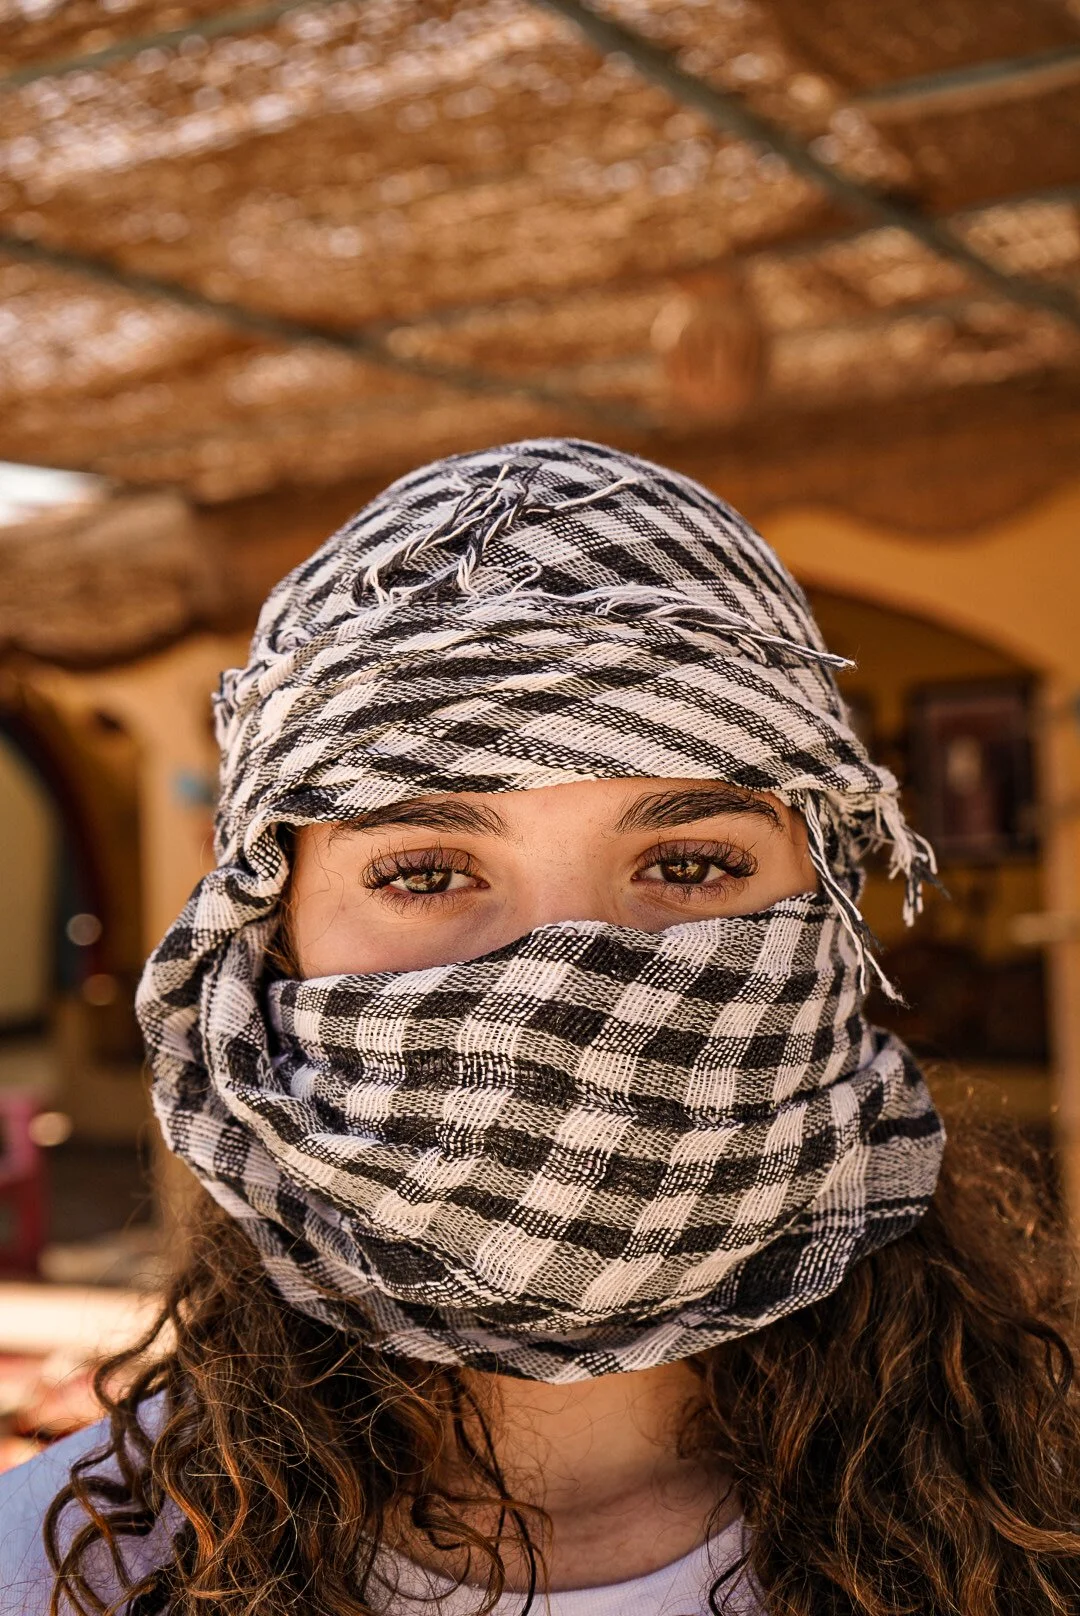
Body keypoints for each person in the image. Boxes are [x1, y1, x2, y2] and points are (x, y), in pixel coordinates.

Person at [3, 438, 1079, 1616]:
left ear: (826, 919)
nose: (568, 980)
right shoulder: (68, 1572)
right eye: (424, 870)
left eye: (689, 860)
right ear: (269, 944)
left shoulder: (1045, 1516)